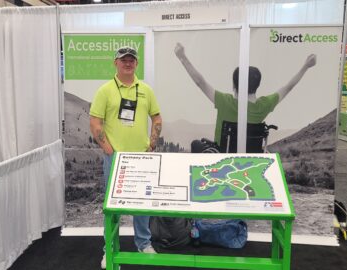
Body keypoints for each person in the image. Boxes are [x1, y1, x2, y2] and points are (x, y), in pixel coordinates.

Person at [89, 46, 162, 269]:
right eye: (124, 60)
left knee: (142, 204)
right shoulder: (105, 91)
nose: (128, 63)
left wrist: (152, 141)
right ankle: (109, 249)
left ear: (136, 64)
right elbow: (95, 123)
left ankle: (143, 243)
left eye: (131, 60)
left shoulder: (146, 90)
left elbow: (157, 118)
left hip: (141, 158)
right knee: (113, 207)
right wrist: (110, 150)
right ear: (116, 63)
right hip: (116, 159)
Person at [174, 42, 316, 151]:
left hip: (222, 156)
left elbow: (200, 83)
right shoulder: (264, 105)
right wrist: (306, 66)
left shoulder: (225, 101)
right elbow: (288, 87)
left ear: (235, 85)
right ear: (257, 85)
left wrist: (182, 57)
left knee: (196, 144)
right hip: (247, 160)